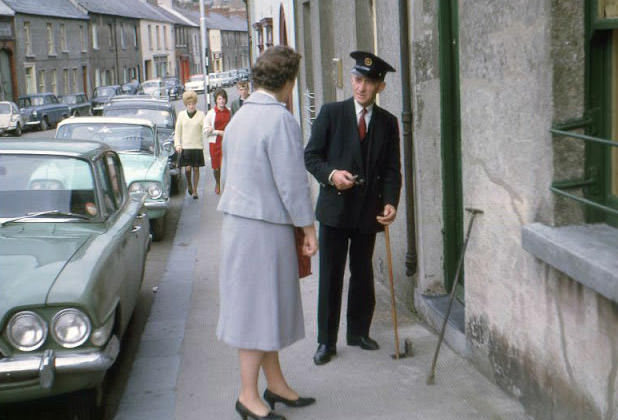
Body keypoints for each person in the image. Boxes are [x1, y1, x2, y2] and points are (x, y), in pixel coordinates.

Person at [217, 45, 318, 420]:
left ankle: (274, 385)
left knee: (263, 308)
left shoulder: (240, 118)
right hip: (264, 228)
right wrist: (308, 228)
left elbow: (226, 177)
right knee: (257, 312)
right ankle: (247, 396)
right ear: (289, 81)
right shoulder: (281, 120)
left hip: (238, 225)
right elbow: (292, 183)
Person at [304, 51, 402, 366]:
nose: (362, 88)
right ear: (351, 79)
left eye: (370, 83)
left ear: (380, 87)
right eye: (358, 80)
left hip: (366, 212)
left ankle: (358, 332)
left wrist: (390, 201)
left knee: (362, 274)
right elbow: (311, 157)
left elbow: (391, 169)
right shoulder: (331, 114)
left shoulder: (388, 123)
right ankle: (325, 342)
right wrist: (332, 175)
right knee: (331, 276)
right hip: (334, 212)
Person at [174, 90, 206, 199]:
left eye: (193, 104)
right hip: (186, 147)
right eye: (189, 104)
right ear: (186, 105)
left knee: (196, 169)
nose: (191, 106)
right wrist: (177, 144)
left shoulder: (201, 115)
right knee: (187, 169)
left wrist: (209, 129)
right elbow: (177, 132)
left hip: (197, 146)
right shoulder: (182, 115)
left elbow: (205, 127)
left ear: (195, 103)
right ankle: (189, 185)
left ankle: (195, 191)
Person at [204, 88, 231, 195]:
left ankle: (227, 185)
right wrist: (217, 132)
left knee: (227, 165)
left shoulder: (229, 111)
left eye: (223, 98)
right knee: (216, 167)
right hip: (215, 143)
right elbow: (206, 130)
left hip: (227, 142)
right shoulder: (211, 113)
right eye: (220, 99)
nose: (222, 101)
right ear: (216, 100)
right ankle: (218, 183)